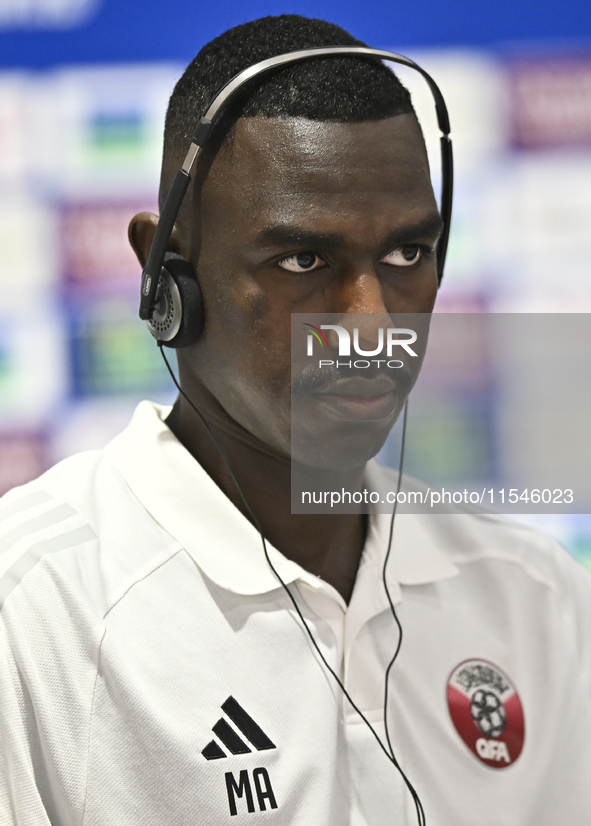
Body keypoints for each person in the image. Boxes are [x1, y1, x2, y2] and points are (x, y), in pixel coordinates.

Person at [1, 14, 590, 826]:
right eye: (303, 262)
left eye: (406, 256)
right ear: (164, 274)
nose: (372, 329)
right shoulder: (30, 612)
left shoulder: (535, 596)